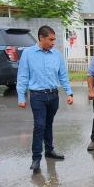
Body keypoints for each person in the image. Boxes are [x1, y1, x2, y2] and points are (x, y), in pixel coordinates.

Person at [17, 25, 74, 171]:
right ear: (41, 38)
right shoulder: (28, 54)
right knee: (40, 125)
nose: (53, 42)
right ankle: (36, 158)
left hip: (53, 96)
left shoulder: (56, 54)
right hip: (37, 96)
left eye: (54, 39)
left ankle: (49, 150)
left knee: (48, 124)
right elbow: (22, 76)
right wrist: (21, 97)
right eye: (51, 39)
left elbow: (62, 75)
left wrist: (69, 93)